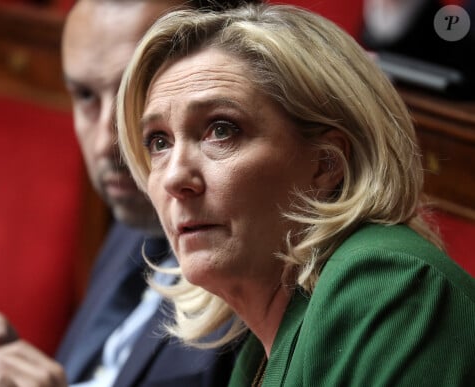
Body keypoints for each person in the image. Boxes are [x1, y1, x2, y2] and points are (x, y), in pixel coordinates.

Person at [116, 3, 475, 386]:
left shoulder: (390, 286)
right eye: (158, 141)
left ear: (326, 164)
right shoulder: (259, 347)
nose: (174, 177)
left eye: (221, 130)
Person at [0, 0, 260, 386]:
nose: (105, 143)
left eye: (139, 92)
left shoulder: (263, 274)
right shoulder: (134, 222)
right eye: (85, 96)